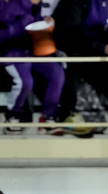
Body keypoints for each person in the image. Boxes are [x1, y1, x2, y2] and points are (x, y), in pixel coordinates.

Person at [51, 0, 108, 136]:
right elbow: (70, 36)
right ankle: (67, 115)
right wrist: (104, 48)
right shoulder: (73, 3)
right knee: (73, 62)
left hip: (98, 51)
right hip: (72, 48)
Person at [0, 0, 65, 136]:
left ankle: (48, 117)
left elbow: (32, 24)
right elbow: (5, 18)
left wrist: (45, 22)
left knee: (57, 74)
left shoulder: (36, 4)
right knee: (25, 82)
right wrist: (28, 3)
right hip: (11, 51)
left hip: (31, 50)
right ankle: (12, 115)